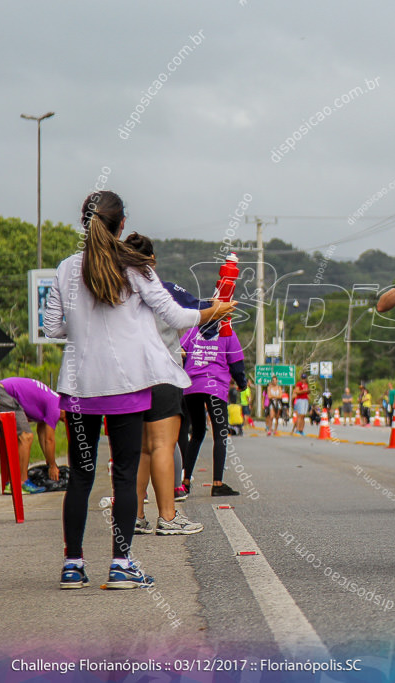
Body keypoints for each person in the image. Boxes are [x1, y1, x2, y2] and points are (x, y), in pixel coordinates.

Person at [44, 190, 233, 589]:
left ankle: (73, 565)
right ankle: (121, 565)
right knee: (125, 476)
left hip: (78, 388)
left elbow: (53, 328)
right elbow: (178, 317)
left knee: (81, 475)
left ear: (85, 220)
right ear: (122, 224)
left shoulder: (64, 269)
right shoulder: (135, 267)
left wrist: (86, 325)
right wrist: (212, 310)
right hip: (127, 386)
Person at [124, 232, 211, 533]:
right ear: (152, 262)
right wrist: (219, 307)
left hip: (129, 378)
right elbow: (197, 313)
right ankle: (169, 517)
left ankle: (134, 516)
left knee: (141, 449)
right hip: (162, 372)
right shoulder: (164, 289)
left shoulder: (115, 292)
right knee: (163, 445)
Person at [181, 323, 247, 496]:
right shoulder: (227, 333)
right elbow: (236, 364)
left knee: (197, 433)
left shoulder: (193, 331)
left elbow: (180, 353)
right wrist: (242, 384)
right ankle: (217, 484)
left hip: (191, 387)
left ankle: (185, 482)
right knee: (220, 434)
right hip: (215, 388)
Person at [0, 377, 62, 494]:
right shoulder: (57, 406)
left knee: (21, 438)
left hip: (3, 392)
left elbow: (42, 435)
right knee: (26, 437)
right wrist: (52, 466)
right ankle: (22, 483)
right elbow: (49, 440)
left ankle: (12, 483)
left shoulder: (53, 401)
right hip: (4, 394)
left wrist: (49, 461)